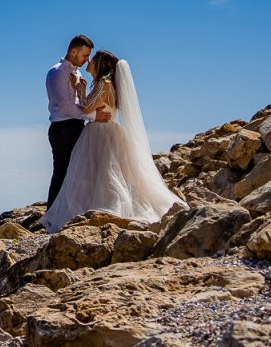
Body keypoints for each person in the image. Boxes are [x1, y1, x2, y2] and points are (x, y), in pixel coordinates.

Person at [40, 49, 186, 233]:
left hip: (101, 133)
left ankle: (108, 209)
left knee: (104, 174)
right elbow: (91, 106)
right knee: (104, 173)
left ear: (101, 64)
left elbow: (86, 109)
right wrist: (82, 89)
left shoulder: (103, 84)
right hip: (107, 131)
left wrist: (79, 88)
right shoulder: (105, 84)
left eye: (92, 59)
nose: (88, 62)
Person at [46, 35, 112, 208]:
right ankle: (52, 215)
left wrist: (81, 91)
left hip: (77, 126)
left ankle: (71, 210)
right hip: (63, 129)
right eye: (84, 55)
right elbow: (65, 106)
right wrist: (93, 117)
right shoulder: (57, 72)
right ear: (73, 51)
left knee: (77, 172)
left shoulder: (78, 73)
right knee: (62, 171)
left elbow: (82, 104)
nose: (87, 60)